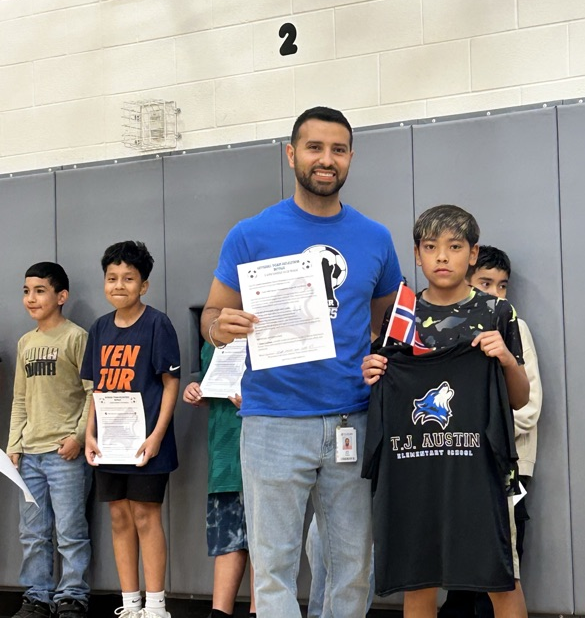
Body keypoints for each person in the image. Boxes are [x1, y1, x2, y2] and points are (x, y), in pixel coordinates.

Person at [201, 106, 402, 618]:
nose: (326, 159)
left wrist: (377, 359)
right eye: (314, 147)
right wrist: (219, 327)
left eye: (338, 149)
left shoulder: (376, 238)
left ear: (351, 158)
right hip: (271, 422)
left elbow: (385, 325)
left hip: (349, 421)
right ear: (292, 154)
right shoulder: (250, 234)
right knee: (273, 572)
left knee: (353, 567)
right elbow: (211, 316)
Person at [362, 205, 529, 618]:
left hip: (481, 468)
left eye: (454, 247)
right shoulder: (399, 315)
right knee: (420, 579)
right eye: (431, 247)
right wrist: (372, 371)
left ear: (472, 255)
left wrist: (506, 359)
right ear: (416, 254)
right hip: (414, 468)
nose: (441, 257)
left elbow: (520, 398)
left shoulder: (496, 312)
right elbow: (384, 389)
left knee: (499, 578)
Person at [439, 247, 542, 618]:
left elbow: (528, 409)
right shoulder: (447, 327)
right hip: (458, 466)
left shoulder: (514, 326)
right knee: (459, 581)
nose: (495, 293)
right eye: (485, 283)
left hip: (507, 470)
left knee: (500, 576)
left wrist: (480, 433)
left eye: (503, 286)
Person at [81, 241, 180, 618]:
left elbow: (171, 383)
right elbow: (96, 388)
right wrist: (89, 434)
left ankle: (156, 606)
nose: (119, 285)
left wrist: (156, 436)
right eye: (111, 278)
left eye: (128, 278)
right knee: (119, 516)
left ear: (144, 285)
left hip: (146, 442)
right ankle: (130, 603)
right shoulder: (99, 328)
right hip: (110, 442)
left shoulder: (158, 324)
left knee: (145, 515)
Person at [6, 262, 92, 618]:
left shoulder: (76, 337)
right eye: (27, 291)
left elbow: (92, 393)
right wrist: (14, 445)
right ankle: (37, 595)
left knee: (70, 530)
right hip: (29, 455)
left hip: (65, 454)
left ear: (61, 296)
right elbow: (20, 399)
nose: (31, 298)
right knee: (33, 532)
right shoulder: (26, 342)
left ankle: (72, 595)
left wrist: (78, 437)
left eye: (40, 290)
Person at [183, 340, 256, 618]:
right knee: (227, 538)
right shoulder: (213, 341)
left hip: (264, 450)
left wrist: (259, 398)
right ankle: (219, 612)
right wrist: (197, 390)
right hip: (224, 456)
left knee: (264, 541)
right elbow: (210, 385)